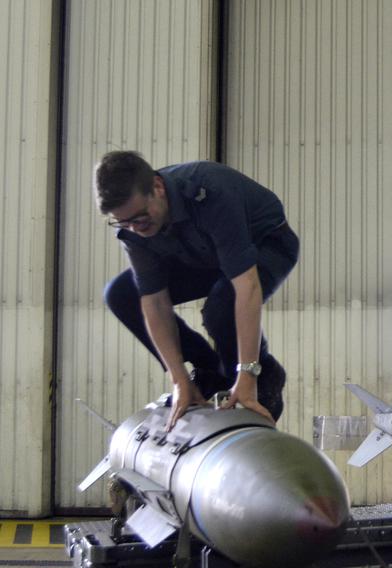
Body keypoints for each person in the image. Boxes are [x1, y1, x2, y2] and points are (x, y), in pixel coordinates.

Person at [95, 151, 299, 428]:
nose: (135, 229)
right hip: (200, 257)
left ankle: (265, 375)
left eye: (140, 218)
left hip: (266, 245)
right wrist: (179, 379)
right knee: (120, 294)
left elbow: (247, 286)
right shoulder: (134, 227)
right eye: (124, 223)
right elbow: (155, 303)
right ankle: (206, 373)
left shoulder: (209, 191)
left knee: (221, 308)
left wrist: (248, 375)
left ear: (157, 187)